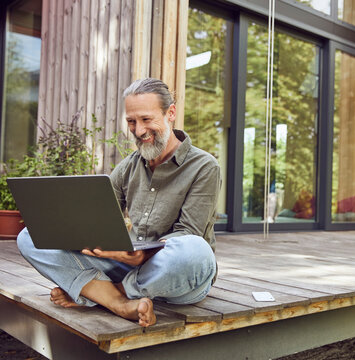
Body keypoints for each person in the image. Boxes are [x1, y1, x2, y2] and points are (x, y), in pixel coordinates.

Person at [17, 78, 220, 327]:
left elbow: (188, 233)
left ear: (171, 113)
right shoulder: (129, 166)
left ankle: (102, 294)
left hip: (177, 276)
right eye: (131, 121)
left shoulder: (204, 166)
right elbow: (97, 216)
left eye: (146, 119)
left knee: (194, 251)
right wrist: (81, 233)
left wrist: (143, 256)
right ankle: (121, 303)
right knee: (30, 236)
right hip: (129, 266)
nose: (138, 130)